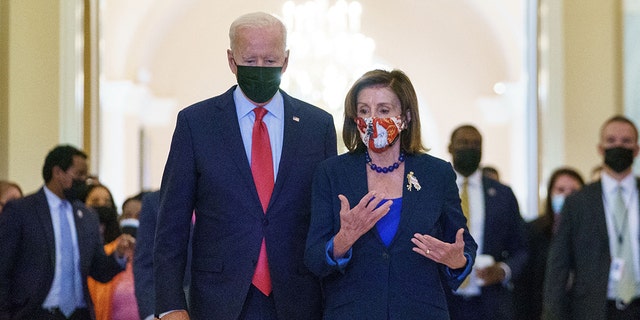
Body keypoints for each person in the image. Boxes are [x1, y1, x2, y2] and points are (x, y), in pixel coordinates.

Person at [153, 12, 337, 320]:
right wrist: (171, 305)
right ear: (231, 60)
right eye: (251, 61)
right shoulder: (196, 123)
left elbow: (328, 219)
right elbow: (172, 222)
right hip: (219, 299)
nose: (261, 70)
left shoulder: (317, 126)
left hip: (298, 298)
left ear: (286, 60)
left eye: (270, 60)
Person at [304, 69, 477, 319]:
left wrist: (457, 261)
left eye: (383, 110)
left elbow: (463, 245)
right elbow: (313, 258)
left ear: (405, 118)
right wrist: (344, 239)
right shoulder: (332, 173)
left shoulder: (436, 173)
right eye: (364, 110)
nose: (372, 119)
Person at [0, 144, 135, 319]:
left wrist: (118, 255)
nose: (84, 180)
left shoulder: (87, 216)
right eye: (79, 174)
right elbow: (3, 268)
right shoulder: (22, 211)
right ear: (57, 172)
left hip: (79, 314)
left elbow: (98, 270)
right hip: (36, 313)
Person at [544, 115, 640, 319]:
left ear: (636, 149)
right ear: (600, 148)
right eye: (611, 141)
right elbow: (558, 266)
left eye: (626, 141)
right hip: (594, 309)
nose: (618, 146)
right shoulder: (578, 202)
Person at [445, 124, 528, 320]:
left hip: (489, 303)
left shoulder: (502, 194)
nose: (469, 148)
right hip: (445, 299)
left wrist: (503, 270)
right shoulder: (436, 190)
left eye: (475, 144)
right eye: (463, 143)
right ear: (450, 148)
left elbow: (521, 248)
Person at [513, 167, 584, 320]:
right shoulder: (533, 231)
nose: (566, 197)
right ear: (550, 193)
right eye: (560, 190)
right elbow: (524, 284)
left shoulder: (591, 233)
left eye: (573, 192)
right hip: (539, 311)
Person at [134, 191, 193, 320]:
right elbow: (145, 263)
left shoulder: (226, 196)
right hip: (173, 308)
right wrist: (151, 313)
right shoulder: (155, 201)